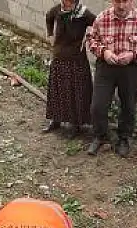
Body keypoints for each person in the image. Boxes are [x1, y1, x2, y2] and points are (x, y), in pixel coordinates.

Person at [85, 0, 137, 157]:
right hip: (106, 67)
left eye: (125, 1)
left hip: (131, 68)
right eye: (118, 1)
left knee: (128, 106)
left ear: (132, 1)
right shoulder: (101, 18)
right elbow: (91, 39)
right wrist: (104, 52)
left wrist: (134, 55)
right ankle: (100, 136)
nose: (121, 6)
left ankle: (124, 138)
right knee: (98, 105)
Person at [43, 0, 96, 138]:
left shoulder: (83, 12)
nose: (67, 2)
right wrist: (50, 35)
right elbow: (48, 17)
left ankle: (75, 124)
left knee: (75, 91)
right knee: (58, 90)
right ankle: (56, 120)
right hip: (59, 58)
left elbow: (97, 23)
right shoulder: (57, 10)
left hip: (76, 60)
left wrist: (89, 35)